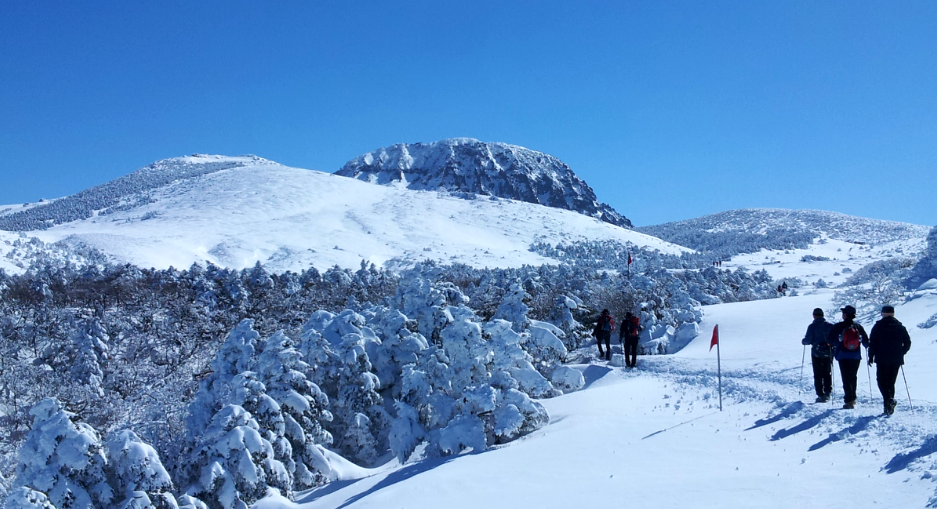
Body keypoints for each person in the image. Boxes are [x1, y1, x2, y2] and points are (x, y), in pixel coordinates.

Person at [868, 305, 912, 415]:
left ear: (883, 313)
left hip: (882, 358)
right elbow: (907, 342)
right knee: (891, 382)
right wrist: (901, 352)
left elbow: (873, 342)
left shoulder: (878, 326)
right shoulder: (900, 326)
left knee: (881, 381)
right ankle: (888, 407)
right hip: (896, 359)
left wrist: (871, 356)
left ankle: (888, 400)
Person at [828, 305, 869, 409]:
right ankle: (853, 398)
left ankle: (848, 400)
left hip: (842, 355)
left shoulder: (838, 326)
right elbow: (866, 342)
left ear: (845, 315)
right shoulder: (858, 327)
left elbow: (830, 340)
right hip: (855, 356)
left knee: (846, 377)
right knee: (853, 376)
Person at [801, 308, 834, 402]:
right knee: (827, 373)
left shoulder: (812, 326)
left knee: (818, 374)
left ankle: (820, 394)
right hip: (828, 353)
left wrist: (803, 341)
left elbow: (808, 340)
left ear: (814, 316)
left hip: (816, 353)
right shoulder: (830, 326)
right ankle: (827, 392)